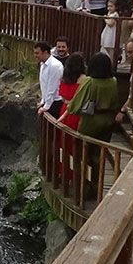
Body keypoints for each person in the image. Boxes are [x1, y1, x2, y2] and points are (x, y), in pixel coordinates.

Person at [59, 53, 119, 197]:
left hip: (90, 124)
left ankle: (83, 189)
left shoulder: (90, 82)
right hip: (107, 123)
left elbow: (74, 106)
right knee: (99, 156)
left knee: (81, 156)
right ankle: (97, 187)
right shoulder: (113, 81)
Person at [56, 52, 86, 181]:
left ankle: (64, 172)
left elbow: (62, 96)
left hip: (64, 110)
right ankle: (76, 175)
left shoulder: (64, 78)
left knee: (64, 144)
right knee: (76, 145)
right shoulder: (84, 80)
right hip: (77, 113)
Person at [35, 42, 64, 118]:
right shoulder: (42, 64)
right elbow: (44, 85)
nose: (35, 56)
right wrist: (42, 101)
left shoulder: (55, 66)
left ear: (45, 52)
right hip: (48, 100)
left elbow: (52, 88)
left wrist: (46, 107)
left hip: (55, 102)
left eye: (37, 53)